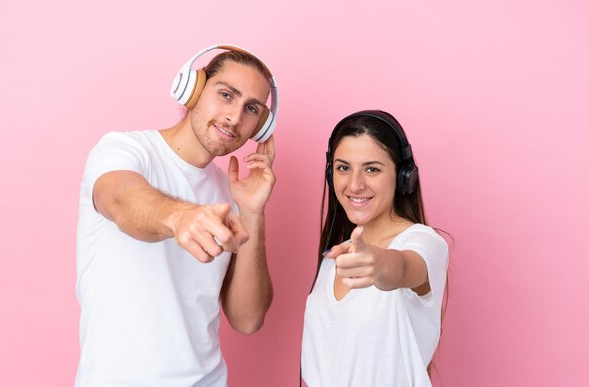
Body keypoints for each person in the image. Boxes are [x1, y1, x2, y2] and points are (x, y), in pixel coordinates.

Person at [75, 45, 279, 386]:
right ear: (193, 89)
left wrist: (253, 212)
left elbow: (247, 320)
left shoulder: (232, 194)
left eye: (251, 109)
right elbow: (122, 199)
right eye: (226, 95)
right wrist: (180, 217)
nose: (235, 117)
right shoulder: (124, 150)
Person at [301, 110, 449, 387]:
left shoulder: (424, 243)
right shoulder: (335, 258)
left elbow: (403, 267)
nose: (355, 185)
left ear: (404, 177)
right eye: (343, 167)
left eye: (372, 169)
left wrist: (379, 264)